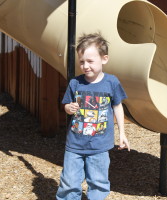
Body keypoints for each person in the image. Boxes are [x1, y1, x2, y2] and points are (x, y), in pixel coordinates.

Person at [56, 32, 130, 200]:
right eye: (82, 62)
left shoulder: (111, 82)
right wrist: (69, 108)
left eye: (90, 61)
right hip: (75, 145)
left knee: (98, 182)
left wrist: (122, 134)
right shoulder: (75, 83)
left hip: (100, 146)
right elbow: (66, 106)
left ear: (104, 59)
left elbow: (118, 107)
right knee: (69, 182)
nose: (85, 66)